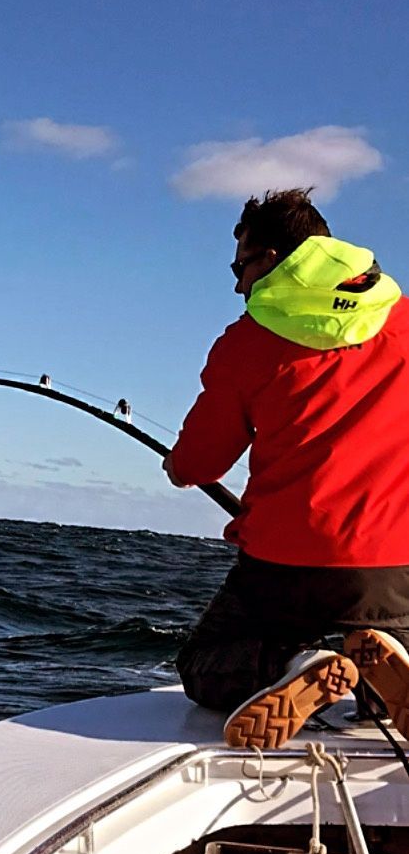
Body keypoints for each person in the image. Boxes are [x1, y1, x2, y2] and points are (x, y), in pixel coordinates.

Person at [166, 187, 409, 748]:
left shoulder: (246, 341)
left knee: (203, 663)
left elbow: (200, 462)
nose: (237, 285)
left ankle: (294, 664)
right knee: (387, 663)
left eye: (241, 267)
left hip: (282, 560)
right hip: (391, 563)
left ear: (273, 259)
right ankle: (380, 671)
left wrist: (177, 466)